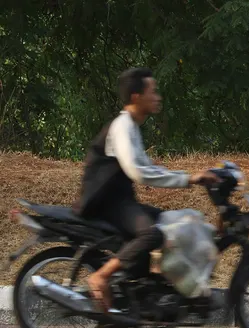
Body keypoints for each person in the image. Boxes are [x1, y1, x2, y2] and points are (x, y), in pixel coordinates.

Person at [72, 67, 221, 312]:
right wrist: (188, 179)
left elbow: (148, 166)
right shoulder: (122, 127)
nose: (158, 97)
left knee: (172, 221)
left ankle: (154, 286)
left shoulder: (131, 126)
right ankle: (100, 276)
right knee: (152, 234)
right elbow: (139, 172)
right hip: (107, 203)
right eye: (153, 91)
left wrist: (189, 178)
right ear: (136, 97)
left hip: (121, 200)